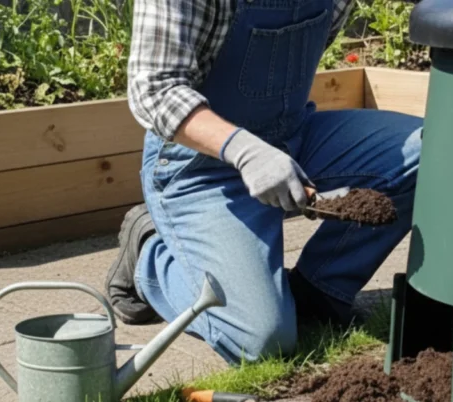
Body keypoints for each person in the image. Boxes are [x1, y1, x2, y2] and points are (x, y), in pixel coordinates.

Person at [104, 0, 423, 365]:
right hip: (199, 168)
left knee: (430, 153)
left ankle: (317, 292)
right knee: (260, 341)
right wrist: (246, 151)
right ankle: (147, 254)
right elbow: (154, 89)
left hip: (293, 136)